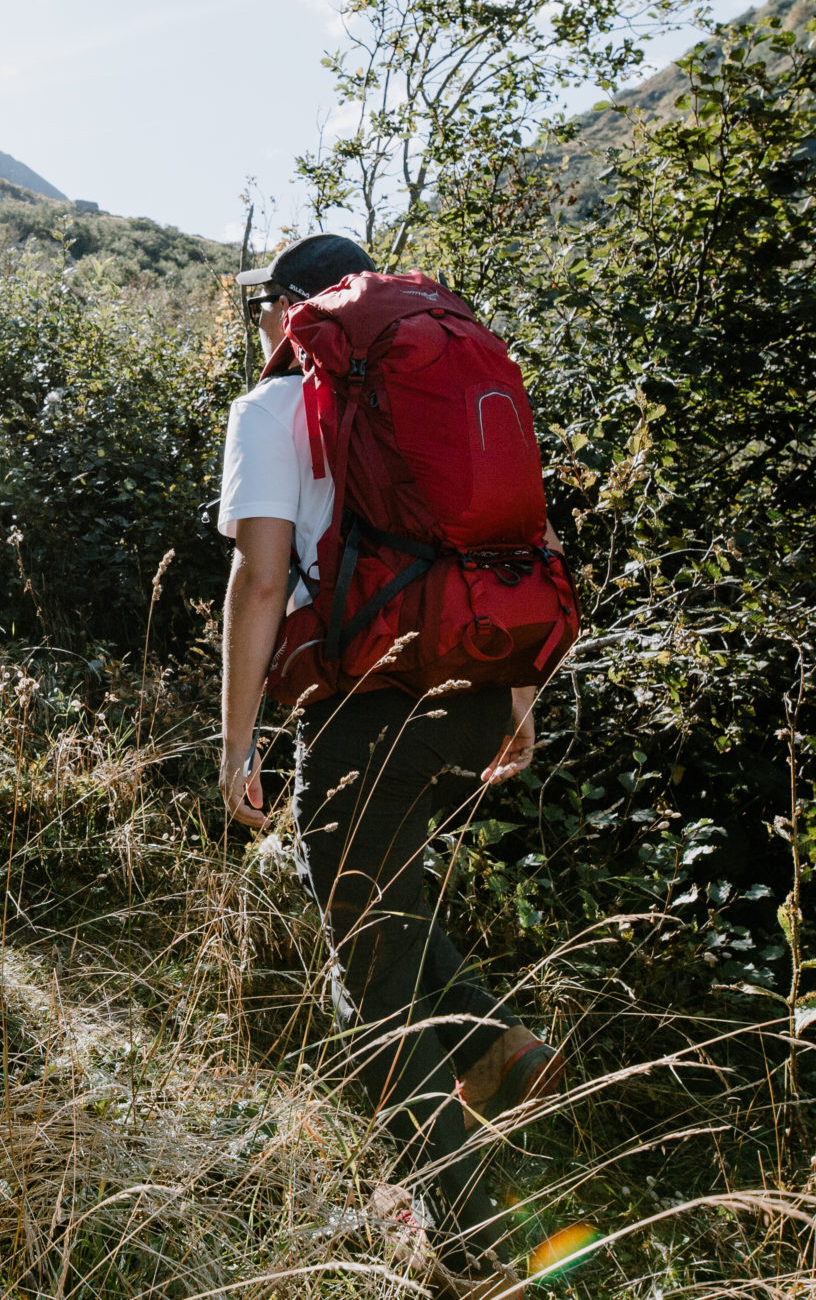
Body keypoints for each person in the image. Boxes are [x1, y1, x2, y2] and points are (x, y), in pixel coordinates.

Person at [214, 232, 566, 1295]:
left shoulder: (269, 410)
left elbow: (262, 583)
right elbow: (521, 535)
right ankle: (500, 1050)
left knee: (364, 974)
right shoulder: (445, 379)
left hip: (366, 708)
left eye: (261, 311)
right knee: (385, 902)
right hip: (472, 682)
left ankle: (461, 1243)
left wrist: (237, 741)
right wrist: (520, 699)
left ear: (289, 308)